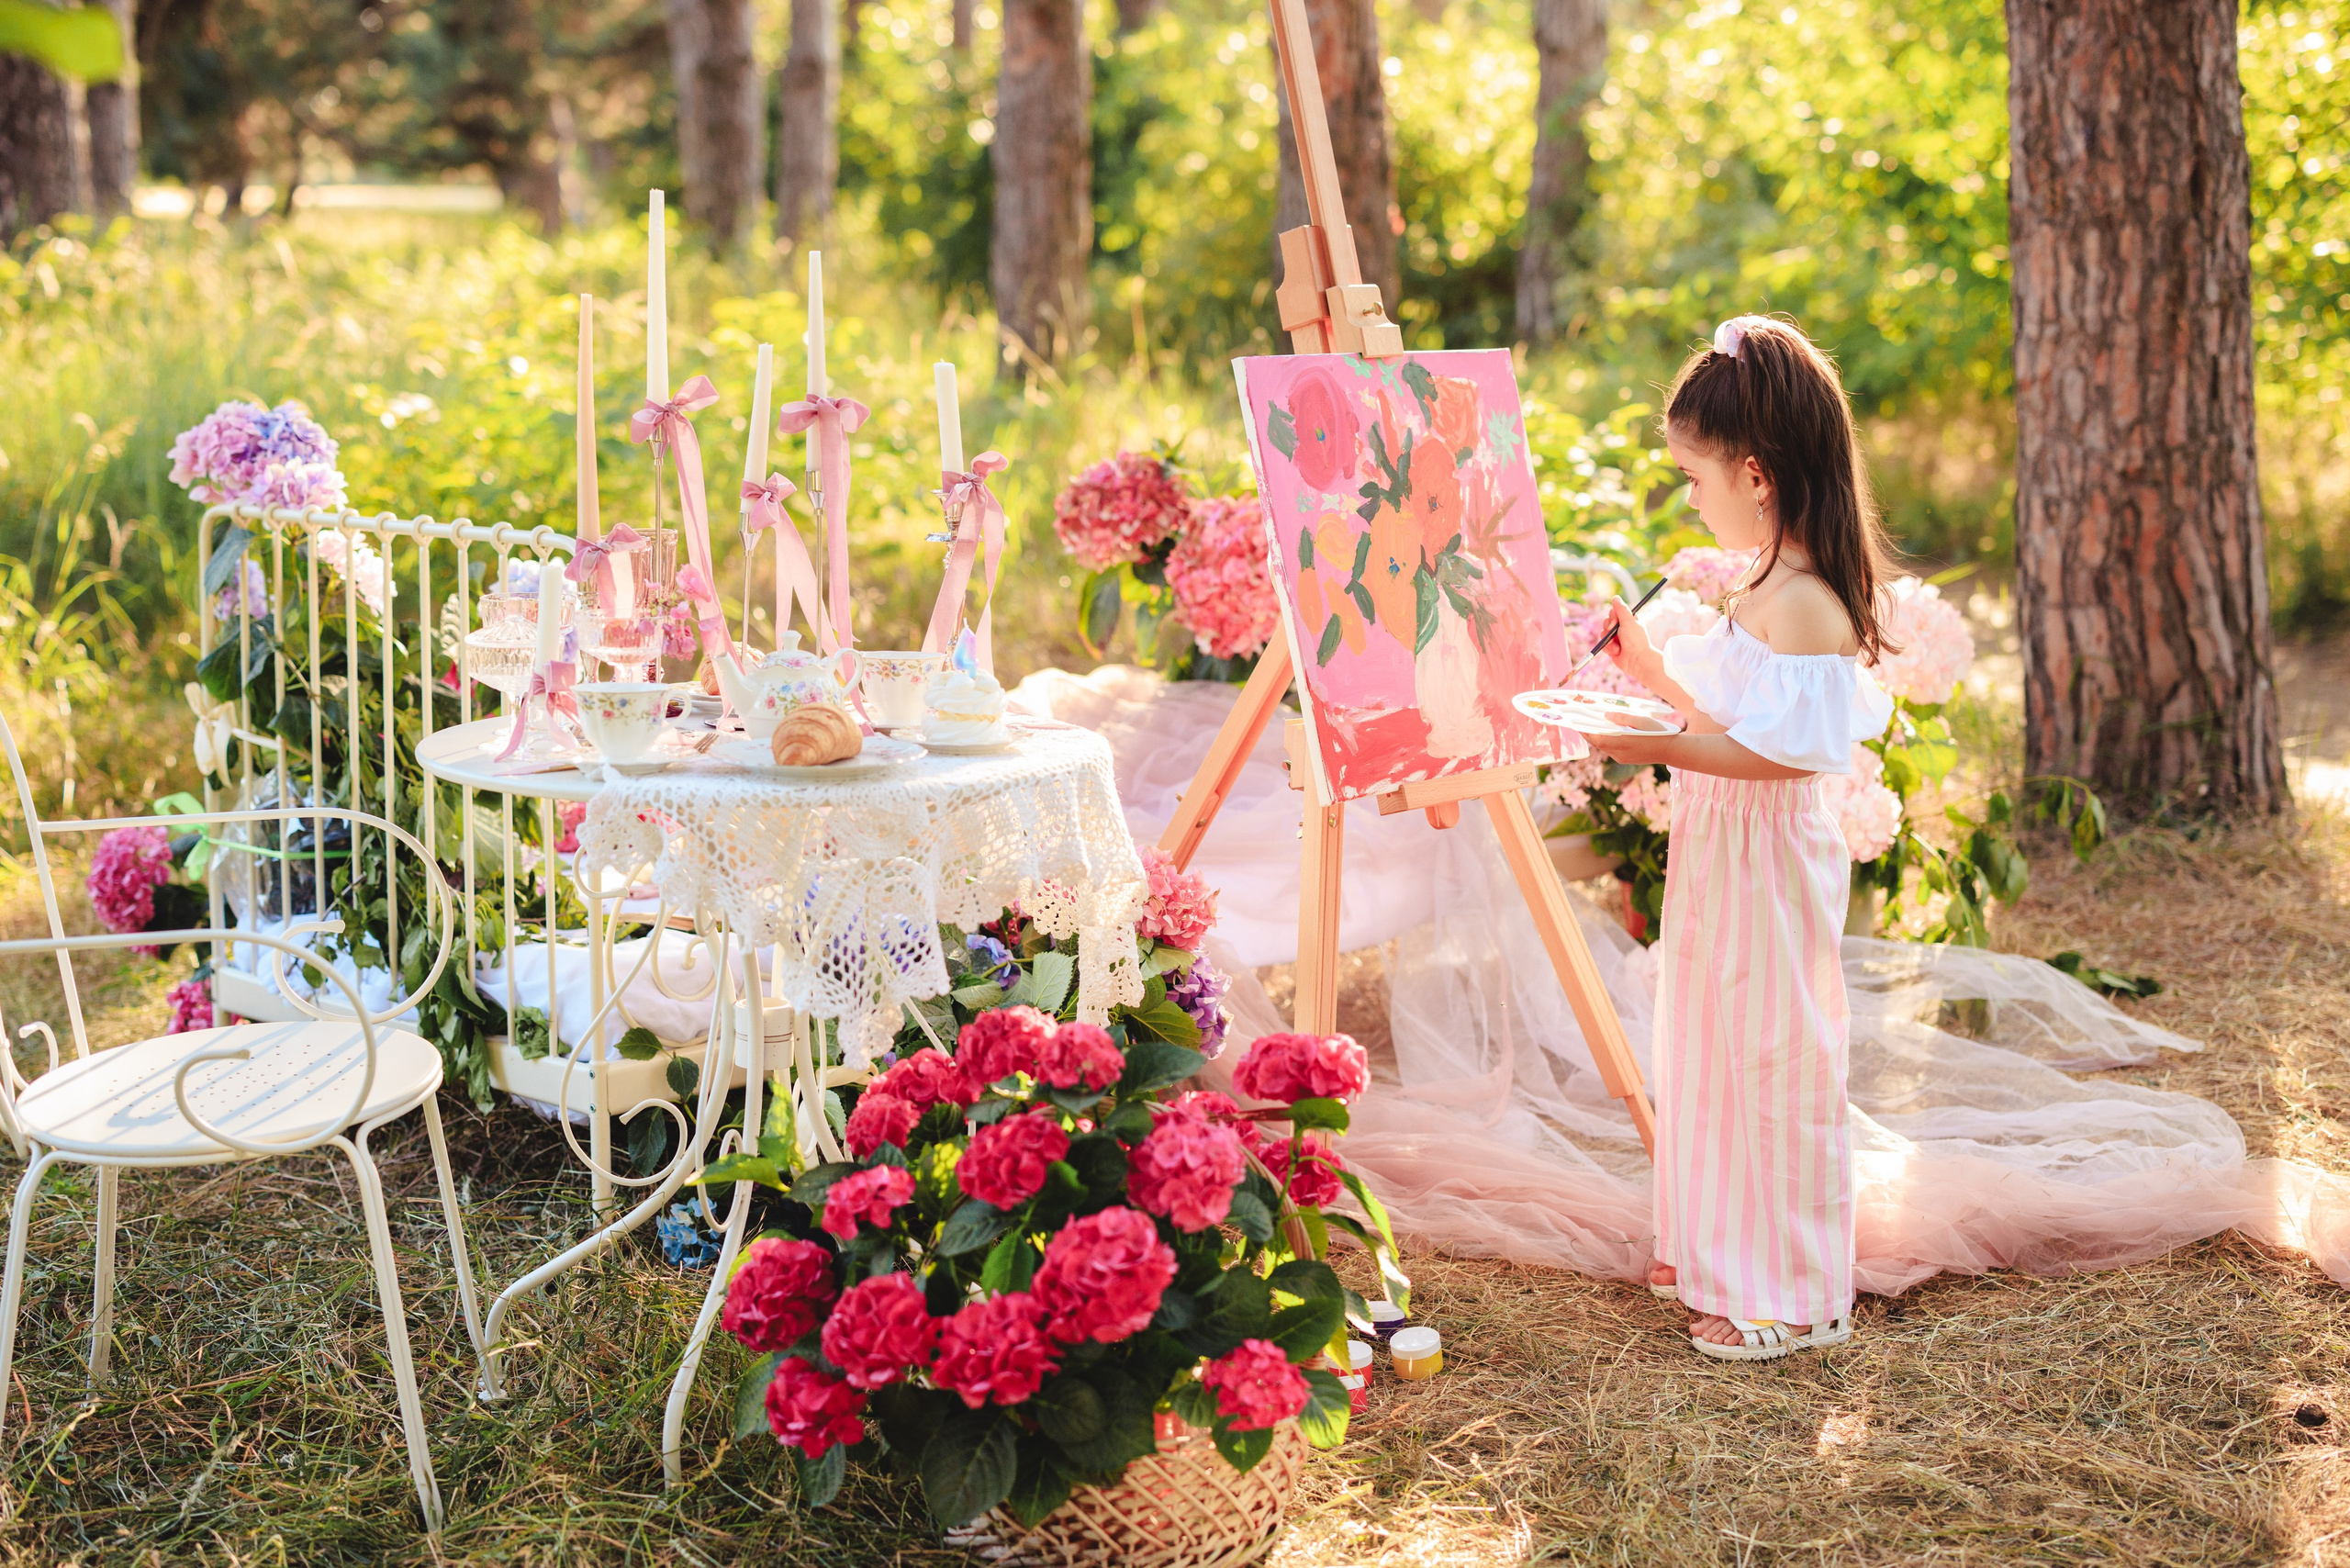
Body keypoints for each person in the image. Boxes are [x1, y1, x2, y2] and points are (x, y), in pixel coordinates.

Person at [1578, 314, 1897, 1361]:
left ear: (1755, 473)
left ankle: (1801, 1294)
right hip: (1723, 852)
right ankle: (1729, 1257)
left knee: (1777, 1059)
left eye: (1693, 475)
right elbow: (1731, 720)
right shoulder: (1763, 578)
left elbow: (1786, 756)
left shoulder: (1805, 604)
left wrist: (1649, 744)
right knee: (1713, 1048)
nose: (1688, 495)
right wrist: (1646, 673)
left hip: (1766, 862)